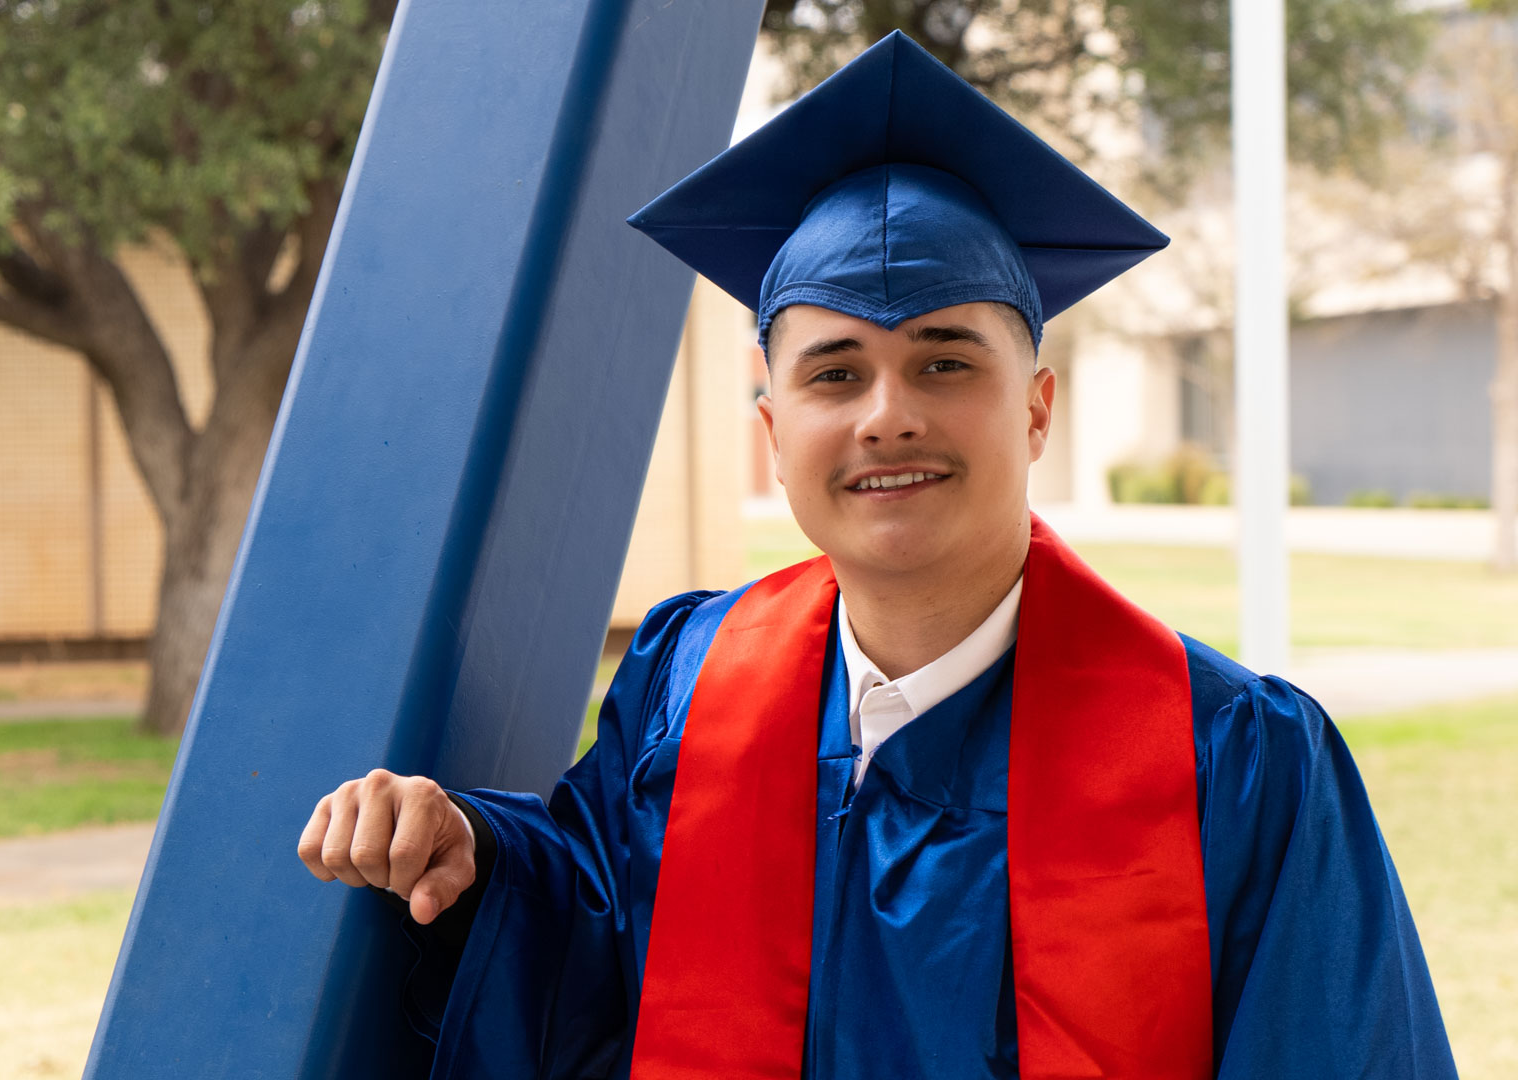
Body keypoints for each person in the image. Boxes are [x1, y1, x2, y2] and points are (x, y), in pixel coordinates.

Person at [296, 31, 1457, 1080]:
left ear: (1038, 409)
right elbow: (590, 933)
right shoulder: (687, 687)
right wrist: (469, 854)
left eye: (946, 363)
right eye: (835, 373)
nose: (886, 416)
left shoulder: (1237, 764)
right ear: (772, 430)